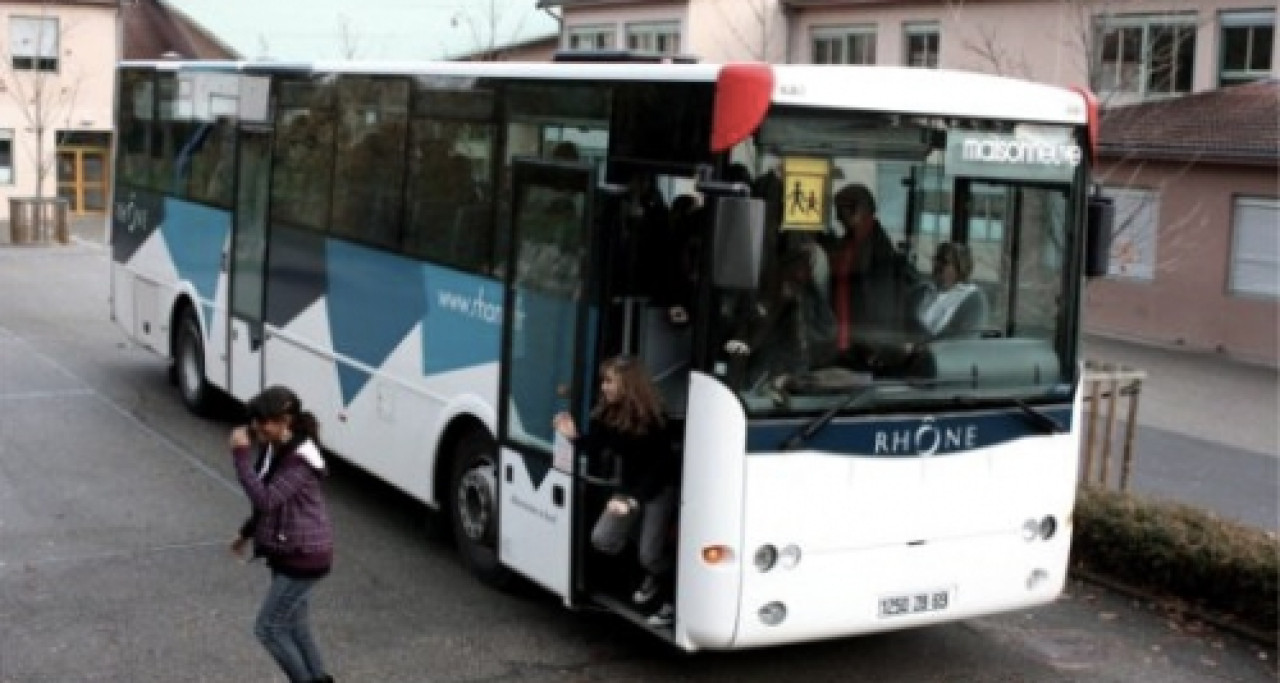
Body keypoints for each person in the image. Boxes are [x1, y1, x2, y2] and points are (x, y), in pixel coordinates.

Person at [552, 356, 678, 627]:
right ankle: (647, 571)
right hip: (630, 487)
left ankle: (669, 600)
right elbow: (596, 447)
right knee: (602, 538)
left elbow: (660, 466)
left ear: (628, 385)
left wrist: (633, 501)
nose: (604, 387)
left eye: (609, 381)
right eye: (604, 381)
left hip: (657, 488)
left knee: (650, 555)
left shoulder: (654, 418)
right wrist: (572, 436)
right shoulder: (607, 414)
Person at [229, 386, 335, 683]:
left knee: (268, 628)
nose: (256, 427)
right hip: (287, 551)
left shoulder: (300, 458)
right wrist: (246, 533)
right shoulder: (276, 449)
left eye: (264, 421)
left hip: (304, 556)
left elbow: (266, 499)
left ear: (285, 420)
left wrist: (240, 456)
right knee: (296, 625)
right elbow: (267, 504)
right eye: (254, 420)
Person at [825, 184, 919, 367]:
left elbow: (879, 301)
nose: (837, 217)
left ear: (857, 210)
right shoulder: (850, 242)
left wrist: (874, 345)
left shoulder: (878, 250)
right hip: (845, 338)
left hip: (866, 345)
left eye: (841, 211)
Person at [912, 241, 988, 339]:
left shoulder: (974, 299)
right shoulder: (920, 291)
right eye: (936, 260)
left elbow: (965, 338)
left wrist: (920, 347)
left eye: (944, 262)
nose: (937, 265)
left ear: (960, 267)